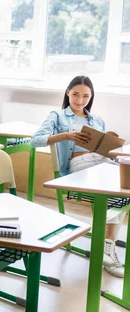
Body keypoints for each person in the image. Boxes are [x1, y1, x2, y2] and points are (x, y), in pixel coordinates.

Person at [31, 75, 125, 278]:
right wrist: (67, 135)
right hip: (78, 164)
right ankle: (107, 245)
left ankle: (107, 244)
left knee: (123, 191)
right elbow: (35, 141)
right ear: (67, 92)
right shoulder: (58, 116)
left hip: (100, 161)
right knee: (119, 189)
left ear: (91, 97)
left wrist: (110, 142)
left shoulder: (97, 120)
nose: (80, 100)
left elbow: (101, 148)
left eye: (85, 96)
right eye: (75, 94)